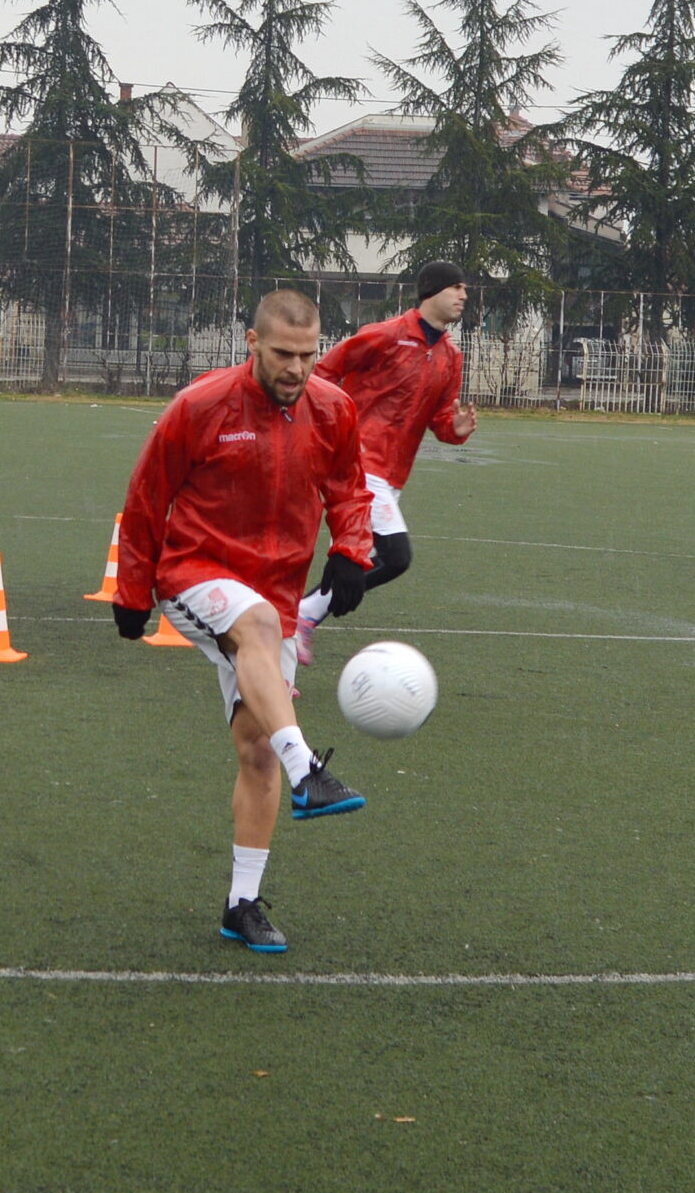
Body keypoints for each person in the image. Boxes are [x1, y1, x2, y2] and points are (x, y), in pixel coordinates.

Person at [113, 289, 375, 954]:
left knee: (256, 749)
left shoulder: (333, 409)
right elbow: (148, 496)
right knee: (255, 625)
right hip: (197, 570)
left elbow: (349, 488)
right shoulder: (200, 406)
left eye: (309, 354)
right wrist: (132, 587)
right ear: (252, 343)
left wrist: (351, 550)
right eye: (284, 353)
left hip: (278, 592)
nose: (297, 367)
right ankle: (309, 769)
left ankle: (242, 903)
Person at [292, 261, 478, 661]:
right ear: (431, 292)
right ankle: (300, 617)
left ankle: (282, 641)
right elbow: (323, 373)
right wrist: (321, 427)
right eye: (456, 287)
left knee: (352, 558)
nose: (463, 295)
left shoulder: (451, 356)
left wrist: (456, 429)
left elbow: (441, 421)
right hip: (357, 466)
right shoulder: (385, 335)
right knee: (394, 557)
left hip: (391, 477)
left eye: (465, 288)